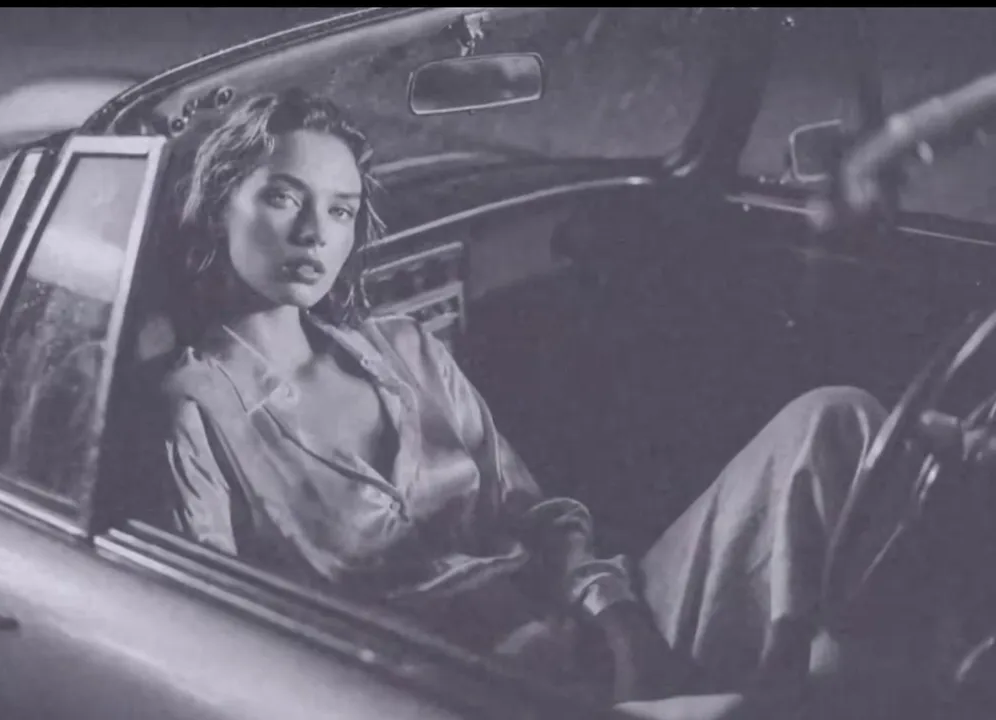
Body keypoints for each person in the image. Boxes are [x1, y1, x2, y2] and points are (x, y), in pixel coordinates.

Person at [154, 88, 943, 713]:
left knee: (835, 420)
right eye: (283, 198)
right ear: (219, 203)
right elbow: (223, 634)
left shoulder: (405, 349)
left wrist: (619, 621)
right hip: (455, 690)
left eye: (339, 209)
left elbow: (534, 512)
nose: (314, 234)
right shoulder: (199, 409)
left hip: (586, 620)